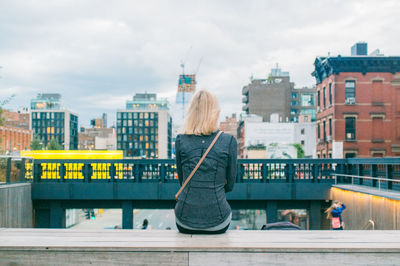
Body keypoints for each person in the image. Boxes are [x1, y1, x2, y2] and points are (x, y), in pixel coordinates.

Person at [174, 90, 237, 234]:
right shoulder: (228, 141)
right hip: (219, 221)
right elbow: (230, 185)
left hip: (184, 220)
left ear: (192, 112)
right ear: (215, 112)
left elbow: (182, 181)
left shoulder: (180, 140)